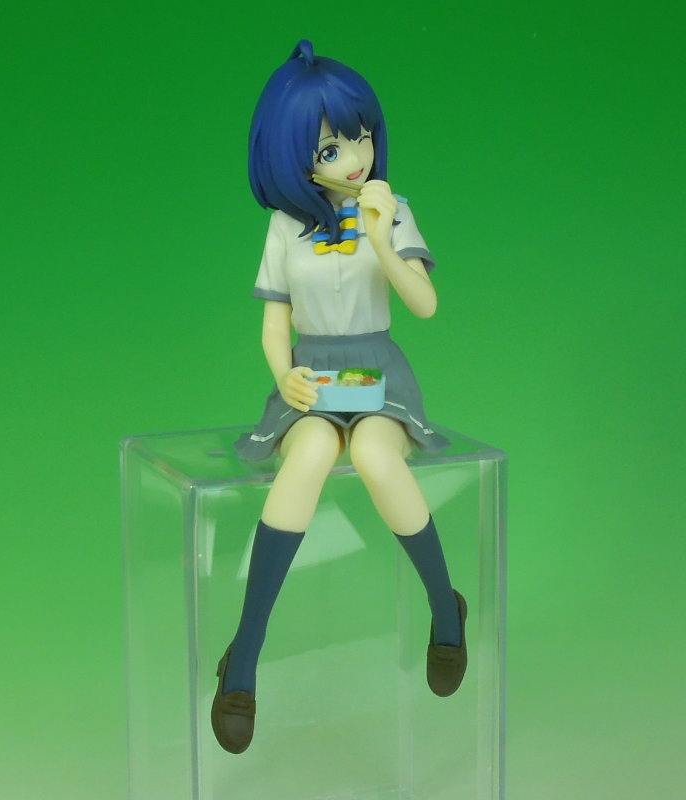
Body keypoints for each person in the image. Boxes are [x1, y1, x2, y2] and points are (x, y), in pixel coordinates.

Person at [211, 39, 467, 755]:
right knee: (309, 456)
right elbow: (274, 321)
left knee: (380, 461)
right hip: (313, 376)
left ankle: (446, 609)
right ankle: (245, 654)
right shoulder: (284, 227)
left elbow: (424, 305)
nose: (355, 157)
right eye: (330, 147)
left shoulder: (394, 210)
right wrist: (283, 374)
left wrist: (384, 238)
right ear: (291, 157)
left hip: (378, 370)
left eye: (362, 136)